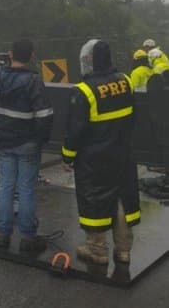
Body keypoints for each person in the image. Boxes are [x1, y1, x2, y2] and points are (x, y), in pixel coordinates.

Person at [62, 39, 139, 265]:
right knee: (122, 198)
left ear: (91, 61)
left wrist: (68, 155)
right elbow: (133, 118)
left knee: (95, 199)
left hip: (94, 160)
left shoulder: (84, 90)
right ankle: (123, 250)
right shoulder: (126, 81)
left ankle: (97, 249)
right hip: (122, 153)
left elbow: (75, 131)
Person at [0, 39, 54, 252]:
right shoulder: (33, 81)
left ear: (10, 54)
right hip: (27, 143)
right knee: (26, 188)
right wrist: (40, 140)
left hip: (3, 142)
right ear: (32, 56)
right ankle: (27, 237)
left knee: (6, 186)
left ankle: (2, 234)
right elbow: (44, 115)